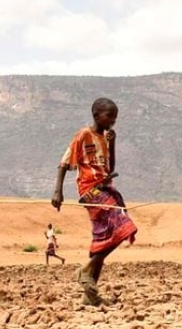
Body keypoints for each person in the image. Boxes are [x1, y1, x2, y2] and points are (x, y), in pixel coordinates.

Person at [51, 98, 137, 306]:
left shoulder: (105, 138)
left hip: (106, 187)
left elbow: (108, 168)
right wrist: (58, 192)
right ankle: (86, 270)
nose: (113, 121)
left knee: (104, 240)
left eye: (115, 117)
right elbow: (64, 163)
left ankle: (90, 295)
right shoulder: (83, 135)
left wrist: (112, 143)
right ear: (96, 115)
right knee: (125, 227)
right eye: (110, 116)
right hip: (92, 191)